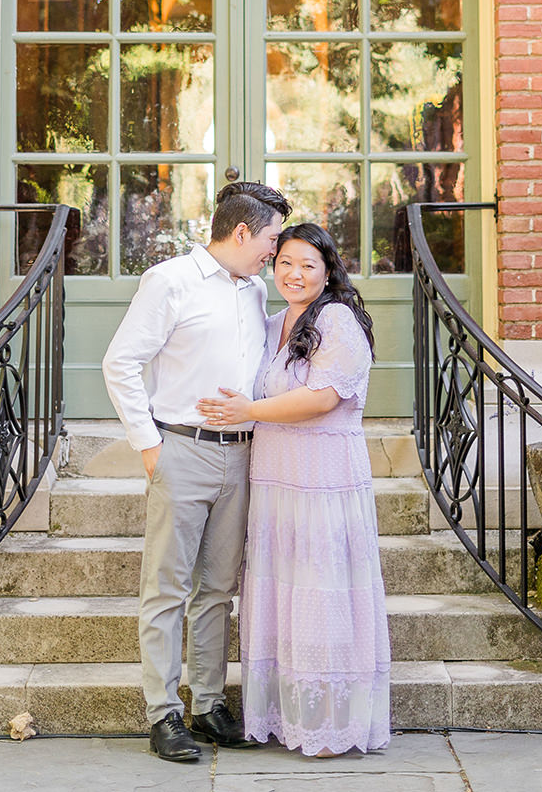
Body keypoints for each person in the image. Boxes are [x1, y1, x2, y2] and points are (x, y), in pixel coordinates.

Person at [102, 180, 291, 765]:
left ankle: (208, 705)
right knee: (166, 588)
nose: (273, 250)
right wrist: (149, 446)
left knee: (218, 590)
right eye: (270, 238)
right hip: (180, 449)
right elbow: (121, 362)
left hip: (241, 455)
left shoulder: (255, 290)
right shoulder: (170, 281)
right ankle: (163, 714)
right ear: (241, 232)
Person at [196, 221, 390, 758]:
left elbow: (323, 398)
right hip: (277, 485)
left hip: (322, 482)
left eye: (308, 264)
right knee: (285, 595)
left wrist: (248, 412)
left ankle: (330, 724)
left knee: (321, 593)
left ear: (328, 270)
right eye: (285, 262)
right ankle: (291, 716)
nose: (295, 273)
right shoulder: (277, 321)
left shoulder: (337, 320)